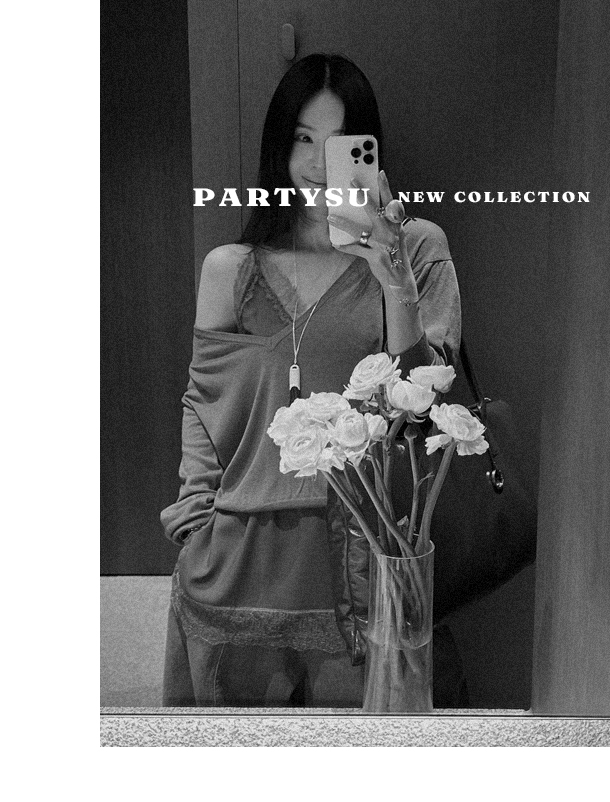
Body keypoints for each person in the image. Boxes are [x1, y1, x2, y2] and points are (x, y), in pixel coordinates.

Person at [160, 53, 463, 707]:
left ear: (368, 151)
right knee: (231, 763)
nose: (320, 163)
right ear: (279, 145)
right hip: (238, 570)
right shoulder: (230, 268)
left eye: (340, 143)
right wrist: (193, 525)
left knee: (370, 756)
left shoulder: (417, 248)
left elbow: (426, 410)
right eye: (303, 138)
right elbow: (201, 402)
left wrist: (394, 280)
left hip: (366, 568)